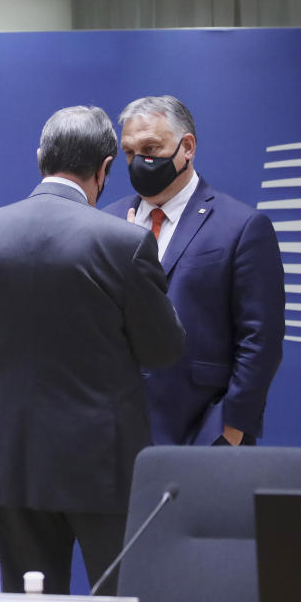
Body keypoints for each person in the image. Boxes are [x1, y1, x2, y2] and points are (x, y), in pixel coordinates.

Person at [0, 106, 184, 594]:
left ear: (40, 158)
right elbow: (163, 350)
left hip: (13, 461)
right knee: (120, 594)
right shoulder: (127, 242)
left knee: (28, 597)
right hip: (104, 467)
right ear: (104, 168)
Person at [104, 95, 285, 446]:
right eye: (129, 152)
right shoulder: (105, 222)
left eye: (151, 147)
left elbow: (260, 338)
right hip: (111, 439)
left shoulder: (241, 226)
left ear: (187, 147)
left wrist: (229, 430)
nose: (139, 161)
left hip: (200, 433)